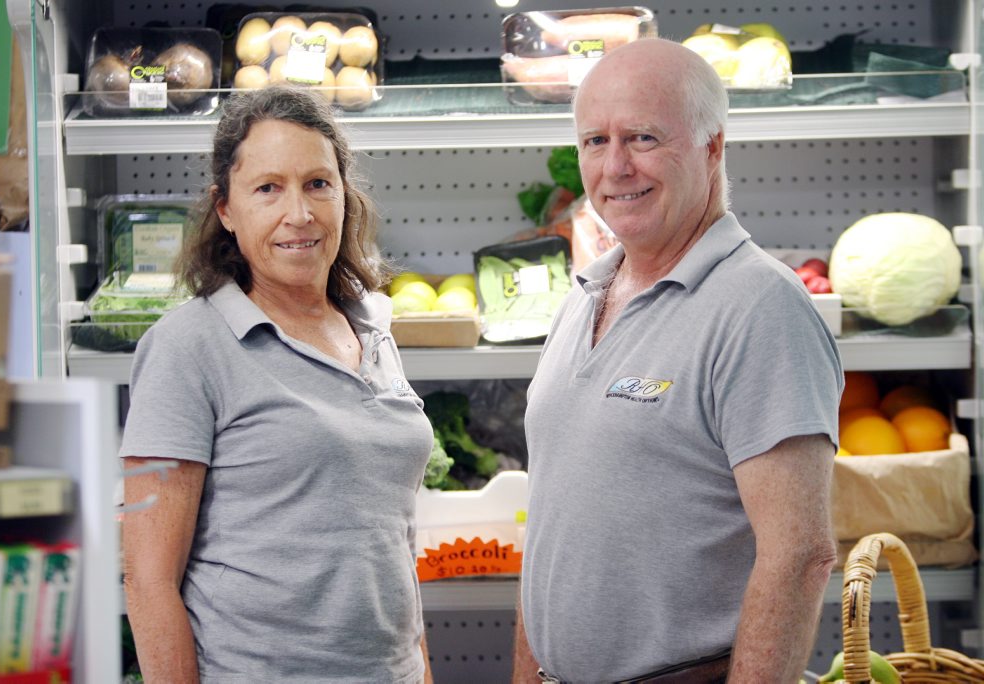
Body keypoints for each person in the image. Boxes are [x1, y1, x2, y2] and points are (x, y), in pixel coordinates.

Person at [513, 38, 843, 683]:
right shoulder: (584, 295)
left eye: (641, 138)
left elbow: (800, 555)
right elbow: (554, 531)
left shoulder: (759, 307)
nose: (614, 168)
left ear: (712, 146)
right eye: (593, 142)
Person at [121, 85, 435, 683]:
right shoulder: (187, 347)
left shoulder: (370, 327)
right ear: (226, 209)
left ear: (345, 194)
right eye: (268, 188)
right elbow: (148, 579)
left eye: (318, 183)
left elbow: (390, 547)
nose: (300, 214)